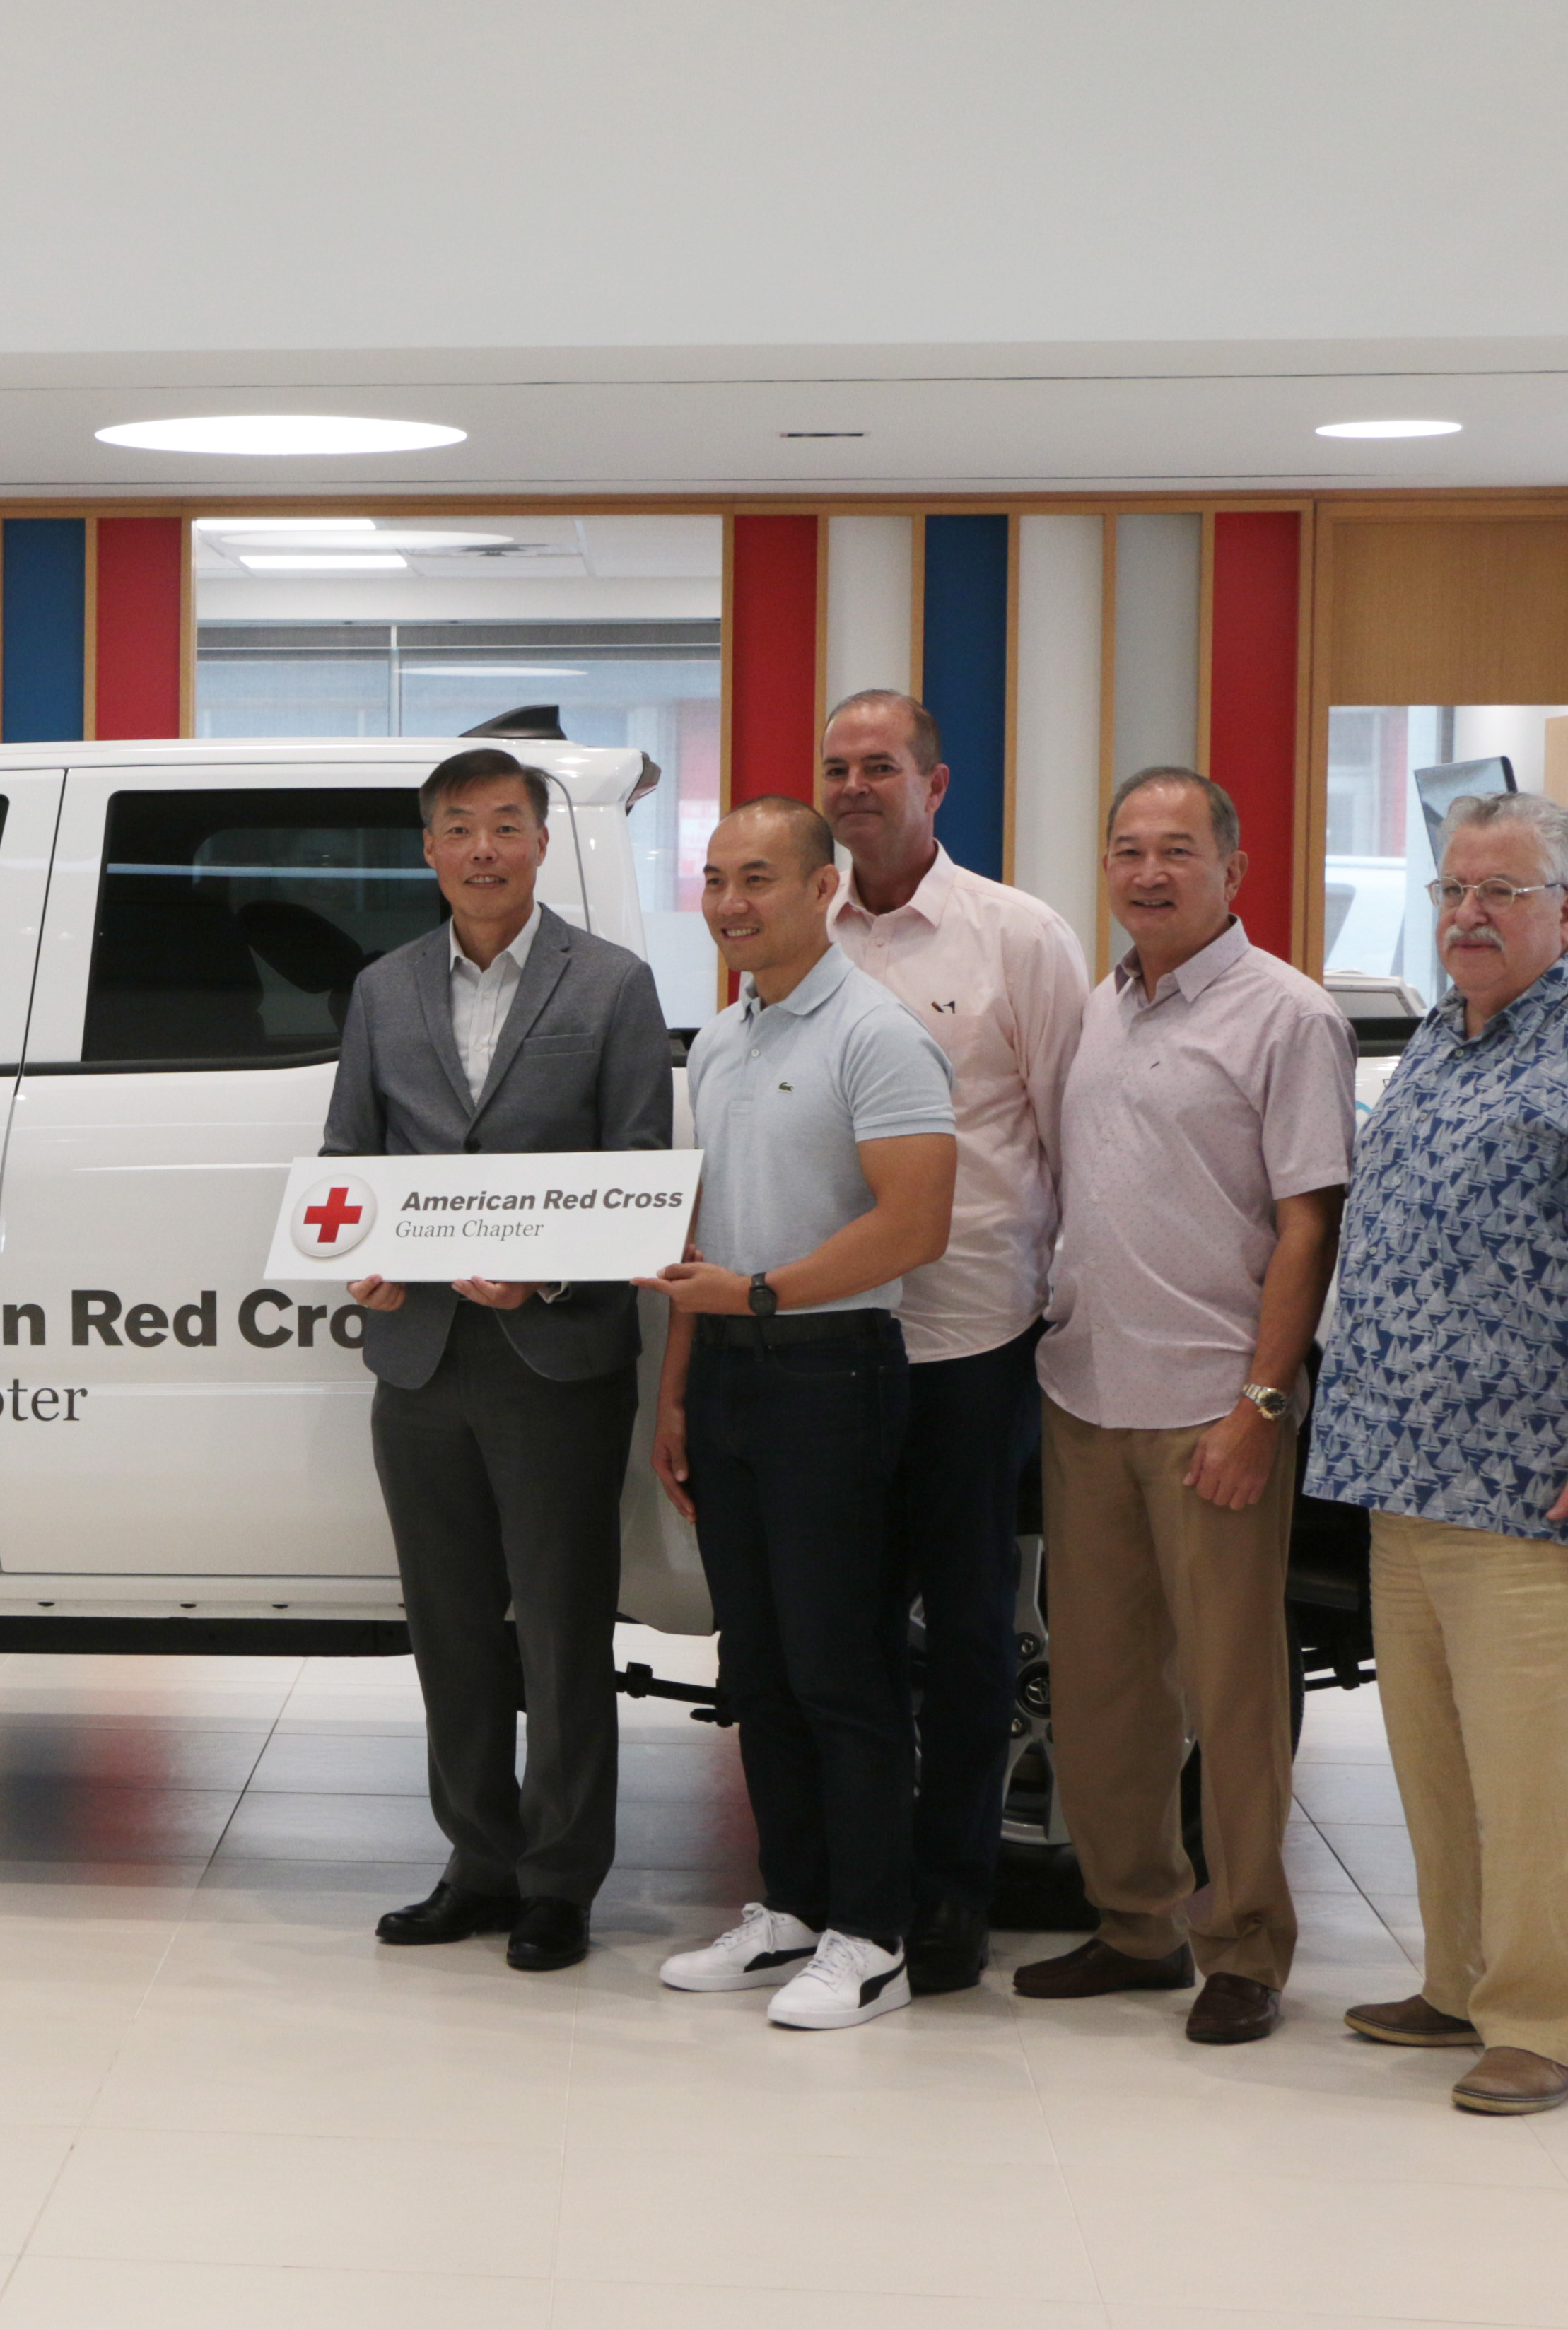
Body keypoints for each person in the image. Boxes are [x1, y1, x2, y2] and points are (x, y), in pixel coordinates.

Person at [1304, 792, 1568, 2115]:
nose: (1468, 915)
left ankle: (1548, 2021)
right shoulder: (1444, 1036)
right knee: (1439, 1761)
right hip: (1414, 1479)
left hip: (1557, 1494)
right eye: (1451, 891)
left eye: (1502, 891)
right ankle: (1462, 1979)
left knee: (1558, 1771)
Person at [323, 746, 677, 1975]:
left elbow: (634, 1173)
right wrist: (359, 1258)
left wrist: (550, 1273)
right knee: (451, 1626)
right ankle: (476, 1858)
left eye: (505, 826)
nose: (482, 849)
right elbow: (349, 1160)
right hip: (417, 1353)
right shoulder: (383, 989)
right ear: (428, 850)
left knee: (562, 1630)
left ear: (540, 842)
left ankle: (559, 1879)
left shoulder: (614, 985)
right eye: (458, 828)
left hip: (552, 1354)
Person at [1014, 770, 1350, 2043]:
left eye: (1175, 852)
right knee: (1103, 1690)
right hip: (1084, 1393)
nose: (1146, 874)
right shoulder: (1097, 1010)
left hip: (1215, 1407)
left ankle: (1246, 1945)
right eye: (1124, 851)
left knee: (1233, 1693)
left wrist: (1262, 1402)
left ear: (1234, 870)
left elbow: (1308, 1221)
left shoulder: (1286, 1017)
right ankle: (1133, 1923)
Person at [648, 794, 956, 2030]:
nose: (731, 903)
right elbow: (697, 1242)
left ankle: (871, 1933)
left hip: (833, 1372)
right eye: (716, 879)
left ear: (823, 888)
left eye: (758, 879)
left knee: (844, 1665)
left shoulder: (878, 1036)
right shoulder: (718, 1041)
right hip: (728, 1372)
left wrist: (761, 1295)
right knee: (756, 1664)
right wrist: (674, 1391)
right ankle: (788, 1907)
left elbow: (912, 1224)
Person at [817, 689, 1087, 1994]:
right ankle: (847, 1888)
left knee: (974, 1633)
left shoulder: (1016, 937)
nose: (854, 786)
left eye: (880, 766)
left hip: (971, 1333)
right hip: (823, 1334)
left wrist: (1062, 1306)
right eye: (835, 767)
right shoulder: (792, 926)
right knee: (848, 1628)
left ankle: (953, 1893)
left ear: (937, 784)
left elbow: (1073, 1136)